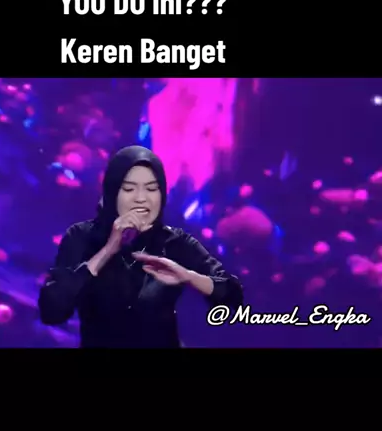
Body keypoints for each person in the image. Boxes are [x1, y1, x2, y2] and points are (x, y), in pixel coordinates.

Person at [38, 145, 243, 348]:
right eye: (129, 188)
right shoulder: (86, 233)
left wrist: (188, 276)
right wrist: (107, 251)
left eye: (150, 189)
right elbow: (53, 307)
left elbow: (228, 291)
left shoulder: (176, 239)